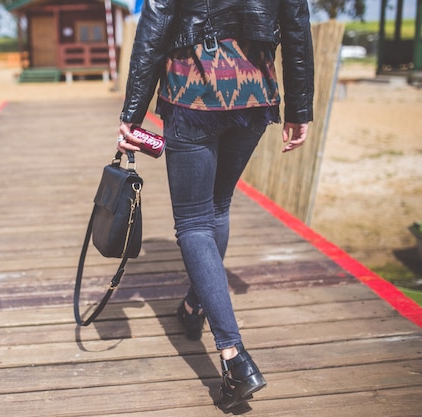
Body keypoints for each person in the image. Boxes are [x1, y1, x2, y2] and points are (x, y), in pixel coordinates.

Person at [117, 0, 314, 411]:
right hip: (255, 89)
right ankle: (193, 306)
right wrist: (300, 108)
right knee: (217, 206)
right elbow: (296, 24)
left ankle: (233, 356)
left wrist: (132, 112)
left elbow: (156, 21)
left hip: (193, 89)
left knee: (192, 222)